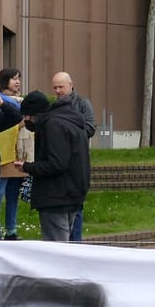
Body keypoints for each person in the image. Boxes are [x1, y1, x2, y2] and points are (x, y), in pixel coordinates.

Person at [18, 89, 90, 242]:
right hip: (72, 192)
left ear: (34, 114)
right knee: (65, 245)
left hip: (55, 195)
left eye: (26, 116)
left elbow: (57, 163)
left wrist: (27, 167)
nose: (25, 121)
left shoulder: (52, 125)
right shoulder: (70, 120)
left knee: (56, 248)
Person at [50, 71, 97, 241]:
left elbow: (91, 127)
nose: (57, 91)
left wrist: (70, 136)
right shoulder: (53, 107)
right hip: (60, 162)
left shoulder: (83, 104)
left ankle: (76, 242)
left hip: (77, 162)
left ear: (71, 85)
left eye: (60, 87)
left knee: (76, 207)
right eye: (54, 87)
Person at [0, 68, 25, 239]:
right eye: (13, 79)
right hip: (3, 154)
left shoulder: (18, 101)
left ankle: (11, 230)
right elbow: (19, 118)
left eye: (18, 79)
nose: (17, 82)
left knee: (13, 195)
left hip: (17, 154)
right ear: (4, 81)